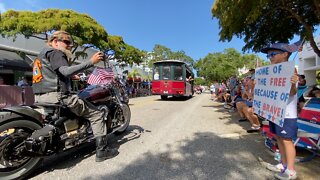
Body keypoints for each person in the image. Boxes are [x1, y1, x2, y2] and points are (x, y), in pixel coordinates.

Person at [32, 30, 118, 162]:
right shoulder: (56, 52)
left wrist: (73, 76)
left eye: (70, 43)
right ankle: (102, 151)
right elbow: (65, 71)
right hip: (58, 97)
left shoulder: (42, 54)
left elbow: (53, 73)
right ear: (55, 42)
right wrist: (91, 61)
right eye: (66, 42)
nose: (70, 45)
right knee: (96, 115)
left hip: (40, 97)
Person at [261, 43, 299, 180]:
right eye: (268, 55)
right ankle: (283, 164)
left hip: (287, 113)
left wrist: (293, 83)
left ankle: (291, 170)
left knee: (286, 140)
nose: (269, 57)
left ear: (285, 54)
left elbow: (292, 92)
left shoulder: (291, 70)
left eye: (273, 54)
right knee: (278, 138)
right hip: (275, 111)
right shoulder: (271, 71)